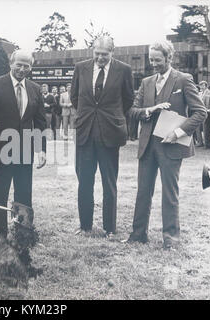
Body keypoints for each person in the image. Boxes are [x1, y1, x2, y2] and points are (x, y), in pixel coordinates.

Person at [126, 41, 206, 249]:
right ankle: (138, 234)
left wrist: (178, 132)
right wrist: (150, 110)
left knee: (170, 193)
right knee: (143, 191)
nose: (153, 64)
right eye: (151, 59)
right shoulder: (146, 82)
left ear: (169, 58)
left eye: (158, 60)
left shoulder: (184, 80)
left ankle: (171, 238)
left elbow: (200, 112)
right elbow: (132, 111)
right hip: (147, 145)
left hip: (171, 145)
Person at [71, 36, 134, 237]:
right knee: (85, 182)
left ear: (112, 53)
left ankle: (110, 228)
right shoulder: (80, 68)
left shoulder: (124, 70)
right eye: (97, 54)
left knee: (109, 182)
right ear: (93, 51)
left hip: (110, 134)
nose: (100, 58)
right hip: (85, 134)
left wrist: (110, 117)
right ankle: (85, 225)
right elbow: (74, 97)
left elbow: (128, 99)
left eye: (104, 55)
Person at [0, 50, 47, 240]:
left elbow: (40, 122)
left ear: (31, 67)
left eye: (26, 65)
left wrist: (41, 149)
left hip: (25, 149)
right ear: (11, 64)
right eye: (18, 64)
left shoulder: (35, 89)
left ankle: (24, 233)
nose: (22, 69)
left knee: (24, 193)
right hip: (1, 150)